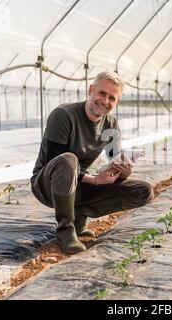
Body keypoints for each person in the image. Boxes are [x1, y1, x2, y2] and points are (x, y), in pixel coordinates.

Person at [30, 71, 154, 254]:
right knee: (68, 160)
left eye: (112, 98)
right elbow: (53, 161)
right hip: (47, 185)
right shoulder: (64, 115)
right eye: (102, 93)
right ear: (91, 90)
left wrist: (123, 171)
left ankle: (80, 215)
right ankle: (65, 230)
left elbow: (114, 162)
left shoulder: (110, 125)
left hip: (81, 185)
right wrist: (94, 180)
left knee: (143, 190)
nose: (105, 101)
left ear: (116, 103)